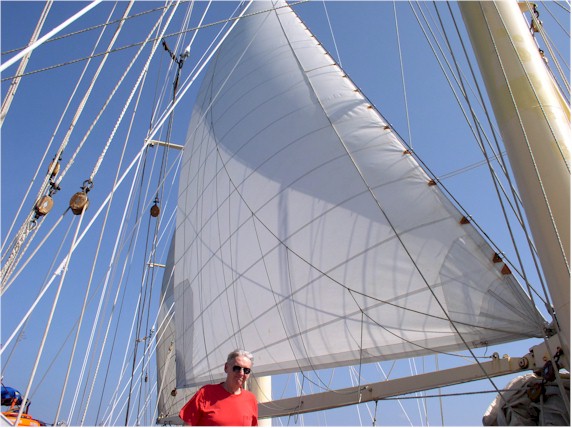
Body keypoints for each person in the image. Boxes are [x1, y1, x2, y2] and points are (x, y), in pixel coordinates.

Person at [179, 350, 258, 426]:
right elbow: (188, 425)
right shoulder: (205, 393)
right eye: (237, 368)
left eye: (246, 370)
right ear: (226, 367)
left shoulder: (251, 399)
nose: (241, 373)